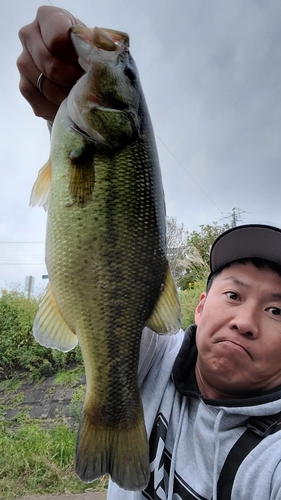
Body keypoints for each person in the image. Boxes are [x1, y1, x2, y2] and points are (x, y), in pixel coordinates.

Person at [17, 7, 281, 500]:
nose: (247, 321)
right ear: (197, 309)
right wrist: (59, 106)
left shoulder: (272, 463)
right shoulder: (156, 358)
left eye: (277, 310)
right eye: (232, 293)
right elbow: (77, 179)